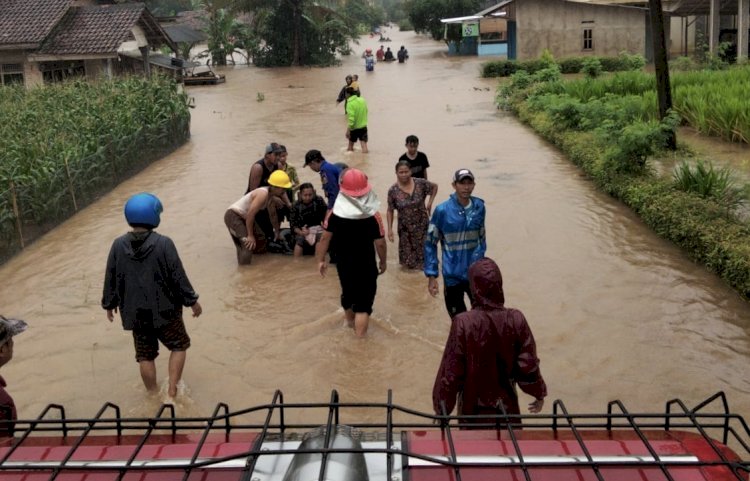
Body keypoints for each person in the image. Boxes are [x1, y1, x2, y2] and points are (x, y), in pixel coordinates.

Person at [102, 193, 203, 399]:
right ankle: (172, 392)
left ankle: (152, 395)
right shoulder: (164, 243)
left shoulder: (117, 245)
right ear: (154, 216)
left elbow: (111, 276)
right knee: (179, 345)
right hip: (165, 311)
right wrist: (192, 301)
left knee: (145, 356)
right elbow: (178, 276)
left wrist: (109, 304)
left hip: (135, 314)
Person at [433, 257, 547, 425]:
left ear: (473, 288)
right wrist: (538, 393)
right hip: (507, 410)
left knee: (474, 450)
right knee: (509, 448)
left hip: (472, 413)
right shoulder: (516, 319)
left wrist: (442, 410)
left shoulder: (463, 323)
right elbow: (528, 365)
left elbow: (451, 373)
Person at [315, 169, 387, 337]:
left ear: (342, 188)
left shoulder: (333, 214)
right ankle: (360, 343)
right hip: (366, 263)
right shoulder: (373, 215)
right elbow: (381, 243)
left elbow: (324, 239)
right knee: (363, 305)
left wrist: (320, 260)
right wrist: (382, 262)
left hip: (343, 262)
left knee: (347, 294)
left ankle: (348, 325)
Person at [424, 169, 486, 318]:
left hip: (475, 274)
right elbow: (430, 243)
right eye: (462, 183)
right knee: (459, 321)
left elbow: (482, 239)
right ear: (454, 185)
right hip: (452, 275)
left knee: (482, 318)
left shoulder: (480, 207)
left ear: (474, 185)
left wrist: (483, 267)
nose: (466, 187)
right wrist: (432, 276)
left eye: (469, 183)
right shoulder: (442, 211)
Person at [224, 170, 294, 264]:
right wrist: (250, 235)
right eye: (283, 188)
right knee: (248, 245)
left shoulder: (271, 196)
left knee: (261, 240)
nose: (284, 191)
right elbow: (250, 214)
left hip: (244, 217)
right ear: (275, 187)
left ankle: (257, 269)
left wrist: (277, 232)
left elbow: (272, 215)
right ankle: (245, 273)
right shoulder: (263, 194)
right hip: (233, 216)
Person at [387, 160, 438, 270]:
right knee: (408, 265)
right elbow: (390, 210)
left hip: (422, 226)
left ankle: (425, 282)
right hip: (405, 230)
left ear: (411, 171)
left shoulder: (420, 183)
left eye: (406, 171)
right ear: (396, 173)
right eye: (401, 172)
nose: (404, 174)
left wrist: (430, 202)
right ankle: (408, 285)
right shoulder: (393, 191)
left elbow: (434, 187)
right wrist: (389, 229)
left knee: (426, 259)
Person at [0, 315, 27, 437]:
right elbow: (4, 448)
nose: (12, 343)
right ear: (1, 350)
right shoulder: (4, 402)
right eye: (10, 339)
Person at [290, 183, 328, 256]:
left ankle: (317, 261)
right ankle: (296, 263)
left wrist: (324, 227)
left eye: (310, 195)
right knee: (299, 241)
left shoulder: (319, 200)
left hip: (317, 229)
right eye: (305, 195)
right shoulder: (295, 206)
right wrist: (301, 232)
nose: (308, 197)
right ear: (300, 194)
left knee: (320, 239)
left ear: (314, 193)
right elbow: (293, 226)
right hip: (301, 231)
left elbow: (326, 216)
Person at [345, 87, 368, 153]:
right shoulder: (362, 100)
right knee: (364, 146)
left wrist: (348, 130)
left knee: (350, 148)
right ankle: (365, 161)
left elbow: (351, 119)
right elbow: (366, 111)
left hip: (354, 128)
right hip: (363, 126)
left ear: (348, 94)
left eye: (345, 94)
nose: (345, 96)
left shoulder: (349, 103)